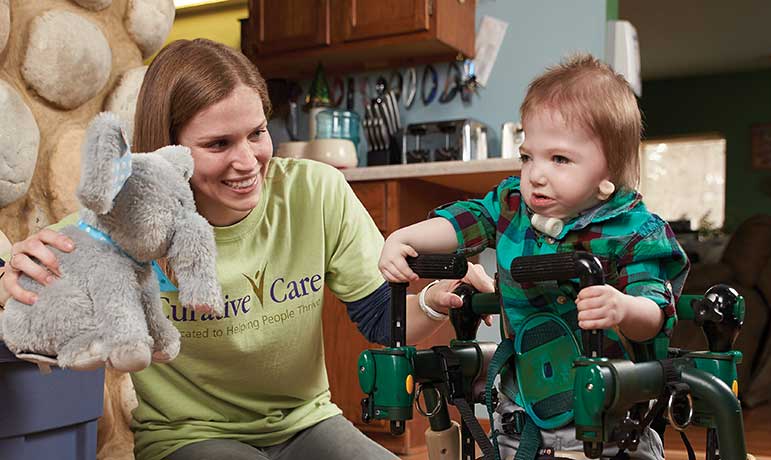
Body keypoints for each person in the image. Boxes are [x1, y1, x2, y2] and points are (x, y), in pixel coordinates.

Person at [0, 38, 494, 460]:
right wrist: (9, 277)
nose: (247, 161)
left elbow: (381, 319)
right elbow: (26, 277)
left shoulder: (315, 192)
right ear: (169, 150)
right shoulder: (124, 216)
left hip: (306, 421)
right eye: (218, 144)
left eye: (257, 133)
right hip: (189, 436)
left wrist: (434, 299)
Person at [379, 54, 690, 459]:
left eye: (559, 159)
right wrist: (404, 238)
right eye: (528, 156)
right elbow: (466, 220)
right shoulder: (512, 205)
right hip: (521, 415)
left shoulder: (633, 232)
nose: (536, 174)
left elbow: (655, 312)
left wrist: (622, 307)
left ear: (607, 174)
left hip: (610, 423)